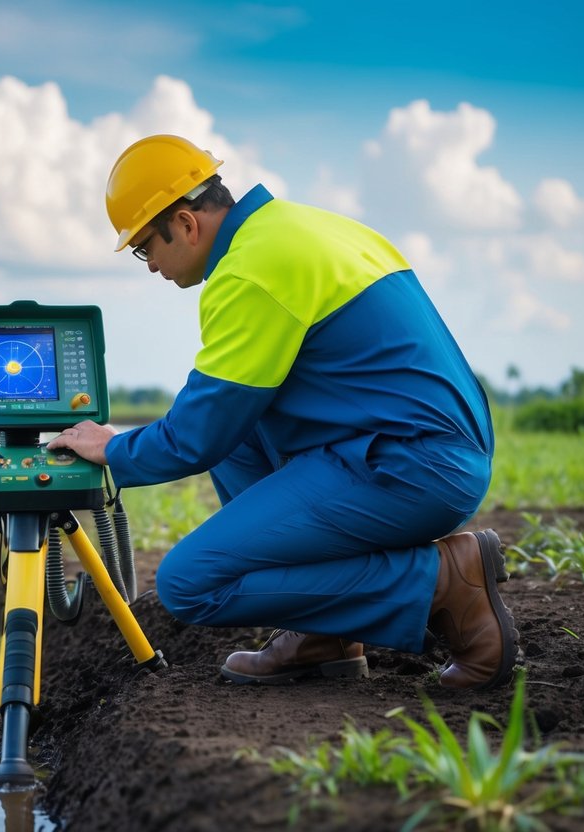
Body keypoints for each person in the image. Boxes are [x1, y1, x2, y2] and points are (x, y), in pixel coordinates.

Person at [46, 134, 517, 690]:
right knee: (240, 434)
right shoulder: (303, 227)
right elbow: (221, 417)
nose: (149, 266)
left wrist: (110, 448)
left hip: (411, 467)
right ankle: (323, 635)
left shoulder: (249, 272)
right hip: (422, 448)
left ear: (187, 223)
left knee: (189, 583)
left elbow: (195, 436)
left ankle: (444, 582)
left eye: (145, 247)